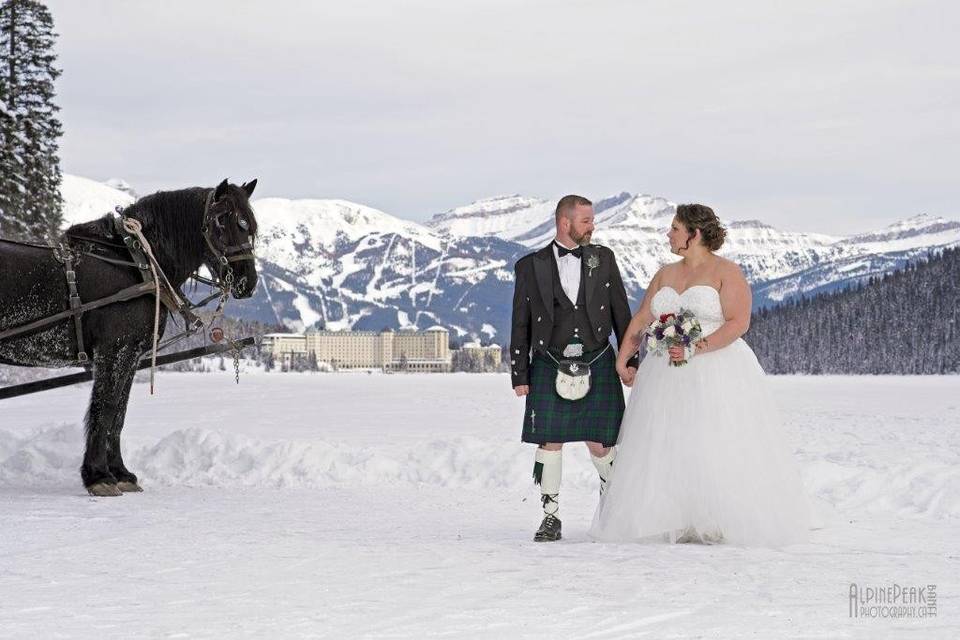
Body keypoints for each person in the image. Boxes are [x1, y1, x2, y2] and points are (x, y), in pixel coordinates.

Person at [589, 204, 814, 546]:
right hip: (664, 372)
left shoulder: (727, 271)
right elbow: (642, 319)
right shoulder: (665, 273)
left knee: (714, 437)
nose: (668, 234)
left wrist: (697, 347)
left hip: (717, 367)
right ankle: (670, 514)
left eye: (674, 228)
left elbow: (739, 322)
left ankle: (717, 515)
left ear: (694, 234)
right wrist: (624, 358)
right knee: (665, 439)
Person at [510, 194, 638, 542]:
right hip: (549, 362)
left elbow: (621, 314)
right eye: (586, 221)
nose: (592, 227)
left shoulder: (604, 258)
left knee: (601, 443)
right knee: (549, 442)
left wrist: (629, 360)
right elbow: (519, 323)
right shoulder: (530, 266)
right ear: (564, 222)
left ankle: (613, 508)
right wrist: (519, 373)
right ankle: (550, 516)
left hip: (598, 359)